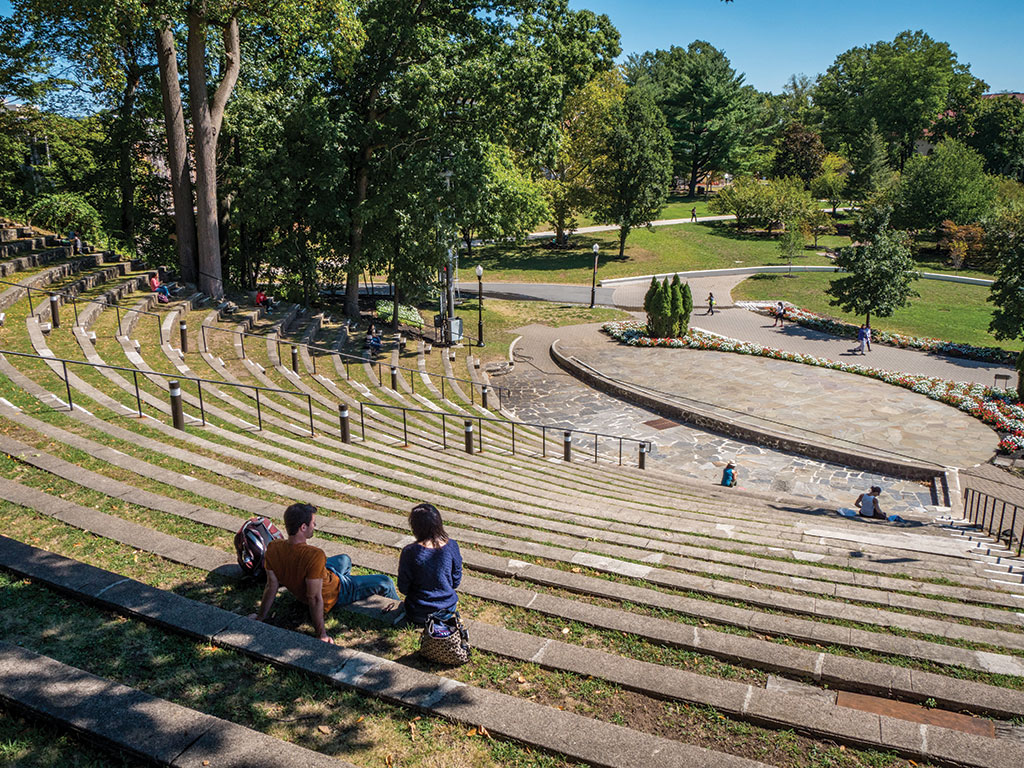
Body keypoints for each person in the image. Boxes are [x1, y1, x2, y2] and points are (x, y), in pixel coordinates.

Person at [249, 503, 400, 643]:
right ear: (303, 527)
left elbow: (271, 585)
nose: (314, 525)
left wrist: (260, 616)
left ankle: (344, 578)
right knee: (385, 581)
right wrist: (321, 634)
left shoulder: (273, 547)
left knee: (345, 559)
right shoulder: (314, 555)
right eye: (313, 523)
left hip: (323, 575)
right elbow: (314, 597)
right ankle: (400, 613)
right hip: (335, 591)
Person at [397, 502, 462, 626]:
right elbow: (456, 580)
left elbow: (403, 586)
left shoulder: (410, 552)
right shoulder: (452, 546)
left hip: (418, 611)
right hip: (447, 609)